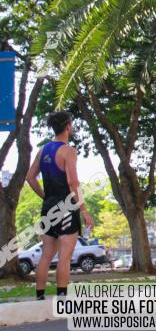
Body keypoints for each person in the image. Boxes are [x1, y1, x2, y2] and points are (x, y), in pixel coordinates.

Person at [25, 111, 93, 299]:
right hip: (66, 208)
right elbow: (73, 182)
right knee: (65, 257)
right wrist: (84, 211)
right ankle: (62, 297)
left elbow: (30, 178)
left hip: (48, 207)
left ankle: (40, 296)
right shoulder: (68, 151)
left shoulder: (43, 150)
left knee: (46, 254)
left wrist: (45, 196)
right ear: (68, 126)